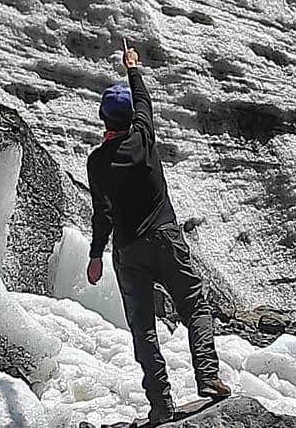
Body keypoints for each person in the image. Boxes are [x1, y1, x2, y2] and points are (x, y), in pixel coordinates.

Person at [87, 43, 231, 424]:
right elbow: (144, 101)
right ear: (132, 117)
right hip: (165, 238)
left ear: (103, 120)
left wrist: (95, 255)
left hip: (128, 250)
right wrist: (132, 68)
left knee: (143, 330)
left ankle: (161, 405)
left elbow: (101, 212)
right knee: (195, 306)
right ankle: (207, 376)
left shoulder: (97, 161)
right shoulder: (143, 137)